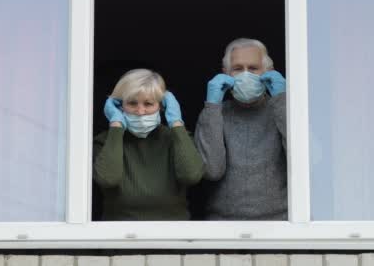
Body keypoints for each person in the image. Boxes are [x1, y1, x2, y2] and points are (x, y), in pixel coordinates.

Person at [195, 38, 288, 220]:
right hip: (223, 225)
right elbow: (211, 170)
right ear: (226, 73)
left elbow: (308, 161)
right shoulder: (214, 113)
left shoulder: (283, 110)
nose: (246, 75)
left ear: (268, 72)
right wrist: (212, 106)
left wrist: (282, 102)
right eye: (237, 69)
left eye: (253, 68)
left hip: (278, 224)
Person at [93, 69, 204, 220]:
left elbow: (192, 176)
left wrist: (176, 123)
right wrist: (116, 125)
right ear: (119, 106)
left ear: (161, 106)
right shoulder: (105, 141)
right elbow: (108, 179)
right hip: (120, 233)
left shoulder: (176, 138)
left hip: (174, 233)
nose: (140, 111)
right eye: (132, 103)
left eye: (148, 103)